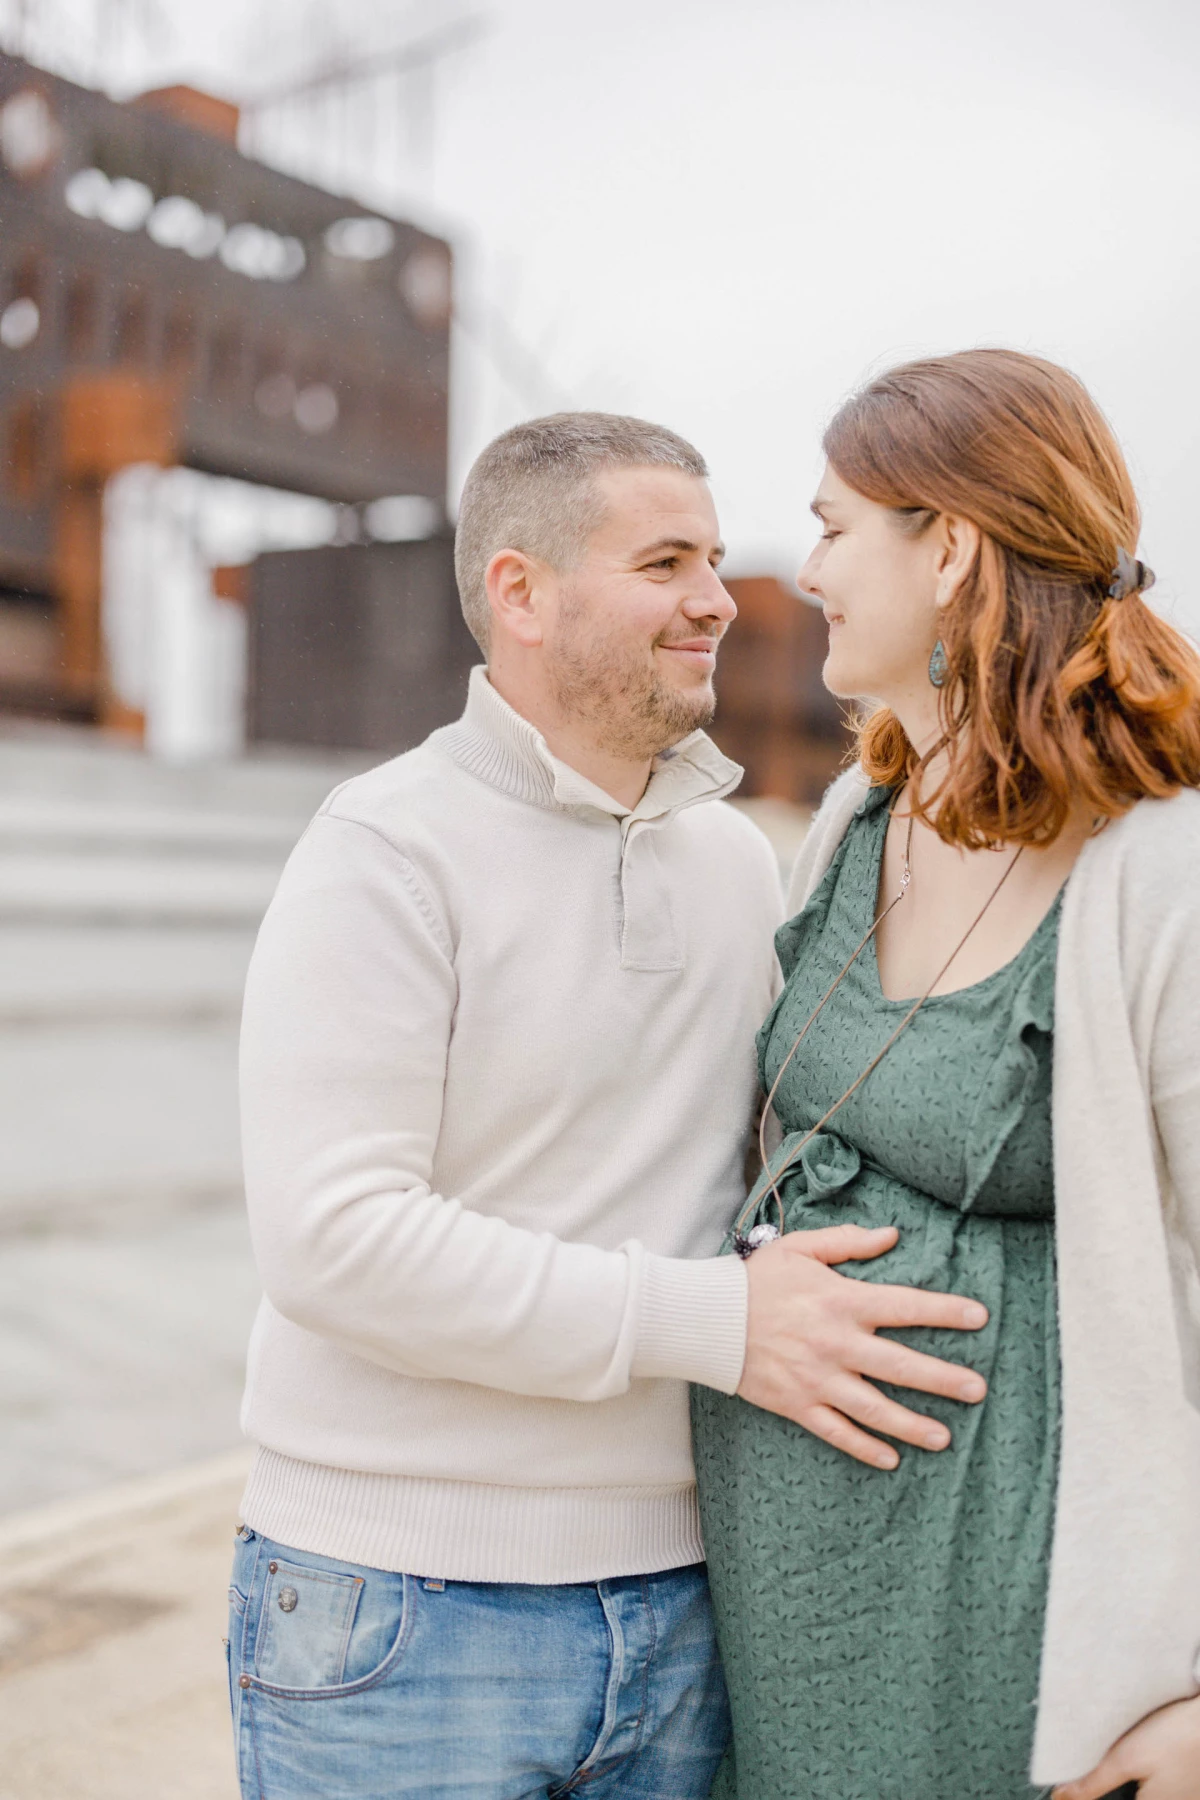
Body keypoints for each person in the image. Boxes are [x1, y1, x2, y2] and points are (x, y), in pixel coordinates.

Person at [226, 412, 986, 1799]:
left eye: (712, 554)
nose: (716, 596)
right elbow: (332, 1238)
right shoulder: (382, 851)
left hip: (688, 1605)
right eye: (664, 562)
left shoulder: (739, 865)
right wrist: (717, 1321)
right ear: (521, 593)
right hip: (399, 1616)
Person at [692, 347, 1200, 1800]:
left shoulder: (1161, 873)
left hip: (1014, 1667)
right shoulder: (858, 812)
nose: (811, 570)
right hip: (777, 1655)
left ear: (958, 547)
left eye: (839, 526)